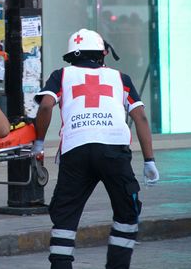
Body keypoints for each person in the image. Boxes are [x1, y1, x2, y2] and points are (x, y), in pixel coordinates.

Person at [32, 28, 160, 269]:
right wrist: (149, 160)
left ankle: (61, 265)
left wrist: (39, 142)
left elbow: (46, 106)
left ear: (72, 56)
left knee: (65, 214)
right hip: (114, 149)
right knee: (127, 212)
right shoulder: (120, 78)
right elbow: (140, 117)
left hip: (76, 150)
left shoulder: (61, 75)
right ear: (103, 54)